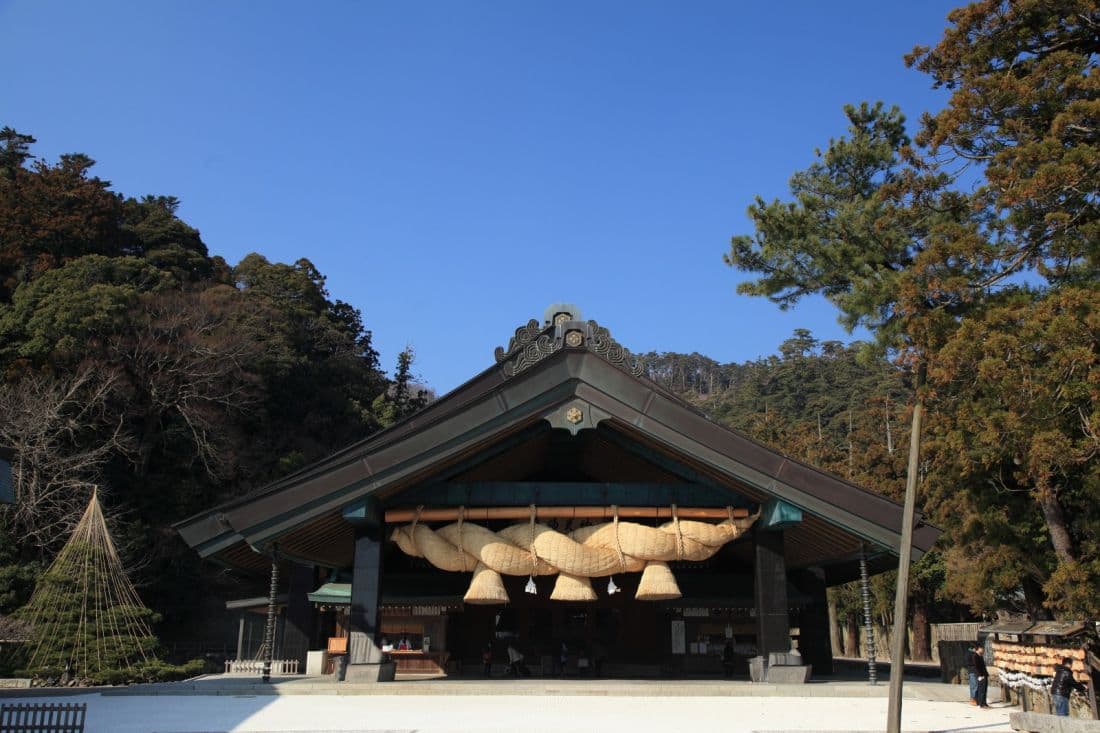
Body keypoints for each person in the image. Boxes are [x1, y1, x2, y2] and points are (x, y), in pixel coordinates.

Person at [967, 642, 989, 708]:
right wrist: (979, 675)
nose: (983, 649)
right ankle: (976, 700)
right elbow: (976, 666)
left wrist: (986, 674)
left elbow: (982, 666)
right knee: (976, 687)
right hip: (976, 673)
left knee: (983, 689)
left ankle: (983, 702)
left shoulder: (980, 656)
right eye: (981, 648)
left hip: (982, 674)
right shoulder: (974, 655)